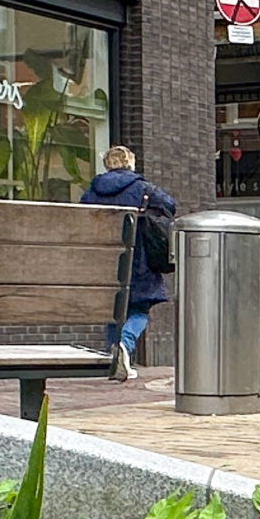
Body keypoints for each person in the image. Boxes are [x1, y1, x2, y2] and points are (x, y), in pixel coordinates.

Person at [80, 146, 177, 381]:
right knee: (139, 309)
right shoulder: (142, 187)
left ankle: (113, 359)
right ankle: (124, 344)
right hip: (138, 261)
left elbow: (80, 215)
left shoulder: (92, 190)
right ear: (129, 163)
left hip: (105, 263)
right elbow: (170, 205)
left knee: (114, 311)